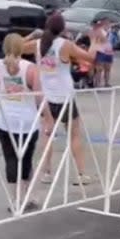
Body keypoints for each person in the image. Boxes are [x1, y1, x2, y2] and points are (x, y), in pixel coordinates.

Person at [36, 13, 95, 186]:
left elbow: (16, 47)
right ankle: (81, 173)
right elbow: (89, 57)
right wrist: (95, 43)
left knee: (47, 135)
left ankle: (46, 172)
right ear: (62, 28)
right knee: (74, 135)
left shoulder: (38, 45)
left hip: (46, 97)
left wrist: (32, 35)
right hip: (65, 96)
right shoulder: (66, 45)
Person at [0, 33, 42, 214]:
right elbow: (38, 96)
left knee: (10, 158)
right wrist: (46, 115)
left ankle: (14, 198)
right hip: (26, 120)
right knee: (26, 158)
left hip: (4, 119)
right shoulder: (30, 68)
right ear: (22, 48)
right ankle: (26, 197)